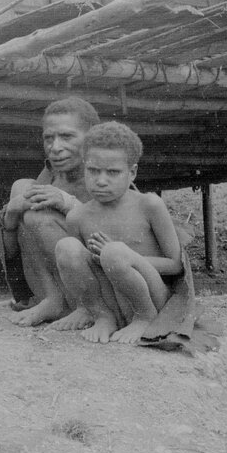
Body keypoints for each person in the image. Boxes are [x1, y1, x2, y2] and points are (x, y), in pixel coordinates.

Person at [54, 121, 184, 344]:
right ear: (84, 167)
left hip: (152, 299)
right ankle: (102, 316)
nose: (101, 181)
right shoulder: (78, 216)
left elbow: (175, 264)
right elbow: (79, 269)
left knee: (114, 252)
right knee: (66, 247)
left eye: (113, 172)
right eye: (93, 171)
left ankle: (144, 318)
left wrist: (126, 257)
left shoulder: (149, 205)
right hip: (111, 300)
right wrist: (103, 259)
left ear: (132, 173)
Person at [0, 97, 101, 328]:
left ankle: (81, 306)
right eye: (49, 138)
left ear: (91, 137)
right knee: (22, 188)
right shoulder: (52, 174)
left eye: (66, 136)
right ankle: (52, 299)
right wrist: (12, 213)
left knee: (37, 215)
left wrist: (69, 203)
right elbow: (14, 250)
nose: (55, 147)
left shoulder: (105, 173)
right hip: (57, 283)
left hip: (103, 285)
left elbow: (120, 236)